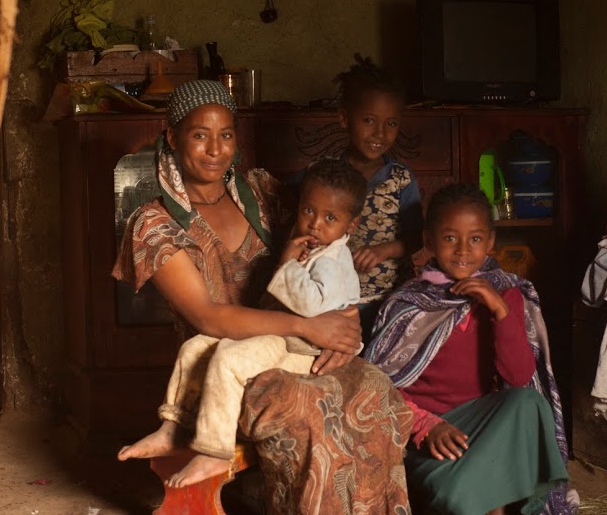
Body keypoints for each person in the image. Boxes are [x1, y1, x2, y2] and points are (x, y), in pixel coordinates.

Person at [112, 80, 413, 513]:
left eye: (226, 135)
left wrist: (343, 333)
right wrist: (309, 326)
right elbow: (210, 319)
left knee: (374, 387)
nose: (215, 149)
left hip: (294, 344)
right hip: (223, 370)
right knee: (307, 408)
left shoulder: (261, 192)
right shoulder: (154, 225)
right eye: (200, 135)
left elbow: (328, 237)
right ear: (173, 138)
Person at [158, 158, 366, 487]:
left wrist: (286, 263)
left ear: (350, 226)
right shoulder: (314, 247)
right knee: (197, 346)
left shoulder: (334, 260)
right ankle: (171, 427)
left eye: (330, 218)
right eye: (309, 211)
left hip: (307, 351)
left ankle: (215, 451)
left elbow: (310, 306)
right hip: (288, 335)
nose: (315, 224)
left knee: (230, 357)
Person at [364, 183, 571, 515]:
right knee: (459, 495)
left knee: (528, 401)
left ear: (490, 242)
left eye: (475, 239)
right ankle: (480, 497)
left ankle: (485, 500)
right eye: (449, 238)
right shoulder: (406, 303)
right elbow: (378, 385)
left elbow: (518, 377)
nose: (463, 250)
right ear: (429, 241)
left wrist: (498, 310)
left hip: (484, 427)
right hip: (425, 435)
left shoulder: (507, 293)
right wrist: (426, 426)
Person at [333, 54, 424, 342]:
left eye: (391, 124)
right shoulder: (323, 177)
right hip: (334, 303)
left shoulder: (400, 179)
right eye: (369, 120)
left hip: (391, 301)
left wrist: (384, 250)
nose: (380, 134)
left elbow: (417, 237)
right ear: (345, 118)